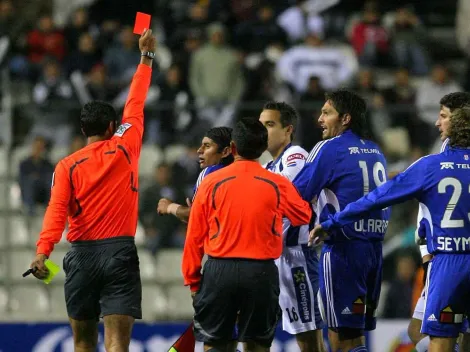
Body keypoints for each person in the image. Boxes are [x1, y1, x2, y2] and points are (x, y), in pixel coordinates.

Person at [29, 29, 156, 352]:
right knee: (117, 343)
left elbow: (56, 212)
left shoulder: (66, 166)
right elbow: (135, 102)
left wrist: (43, 252)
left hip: (82, 257)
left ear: (83, 130)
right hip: (119, 253)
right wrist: (145, 58)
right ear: (112, 128)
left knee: (83, 343)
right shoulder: (125, 147)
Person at [310, 105, 470, 352]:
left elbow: (377, 197)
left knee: (439, 341)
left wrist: (332, 222)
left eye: (443, 120)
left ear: (453, 130)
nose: (438, 124)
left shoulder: (430, 166)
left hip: (448, 263)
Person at [182, 117, 313, 352]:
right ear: (263, 149)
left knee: (216, 346)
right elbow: (303, 216)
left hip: (219, 272)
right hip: (260, 273)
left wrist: (193, 281)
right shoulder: (277, 183)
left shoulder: (211, 182)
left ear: (232, 148)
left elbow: (194, 236)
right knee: (257, 346)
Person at [292, 89, 390, 352]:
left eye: (327, 113)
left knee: (341, 340)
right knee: (353, 336)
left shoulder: (329, 148)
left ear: (345, 118)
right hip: (373, 250)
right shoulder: (374, 149)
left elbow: (297, 192)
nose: (320, 119)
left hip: (343, 251)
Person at [259, 101, 325, 352]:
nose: (263, 131)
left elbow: (283, 191)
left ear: (288, 130)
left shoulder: (295, 155)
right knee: (305, 335)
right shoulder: (268, 165)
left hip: (297, 256)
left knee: (308, 337)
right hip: (278, 256)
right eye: (261, 125)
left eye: (270, 124)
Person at [410, 92, 470, 352]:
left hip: (457, 255)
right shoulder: (444, 150)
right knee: (417, 331)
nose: (437, 123)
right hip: (443, 255)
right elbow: (426, 205)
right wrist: (425, 252)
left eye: (443, 116)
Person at [157, 126, 233, 222]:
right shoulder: (248, 172)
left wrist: (169, 207)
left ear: (225, 152)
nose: (199, 150)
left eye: (207, 146)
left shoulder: (209, 174)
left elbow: (197, 216)